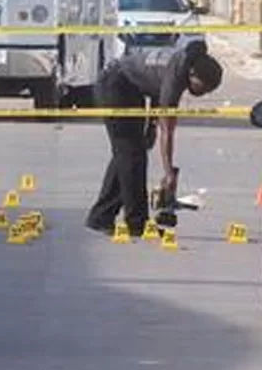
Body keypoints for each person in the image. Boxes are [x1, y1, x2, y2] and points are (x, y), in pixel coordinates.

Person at [85, 40, 224, 237]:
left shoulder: (183, 63)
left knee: (128, 154)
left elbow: (155, 92)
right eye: (203, 87)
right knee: (131, 155)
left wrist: (150, 127)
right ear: (192, 74)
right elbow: (167, 129)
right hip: (114, 86)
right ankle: (137, 223)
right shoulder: (176, 76)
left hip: (130, 88)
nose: (203, 93)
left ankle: (101, 216)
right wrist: (169, 174)